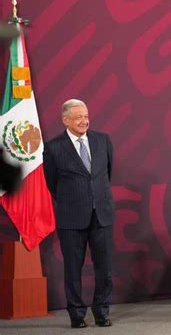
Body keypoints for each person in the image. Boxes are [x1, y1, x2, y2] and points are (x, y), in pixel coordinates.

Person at [43, 99, 114, 328]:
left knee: (104, 267)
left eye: (86, 116)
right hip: (71, 217)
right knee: (73, 268)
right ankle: (76, 314)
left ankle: (102, 311)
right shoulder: (54, 147)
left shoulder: (102, 141)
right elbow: (52, 183)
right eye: (78, 117)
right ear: (65, 120)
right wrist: (76, 200)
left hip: (101, 214)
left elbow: (106, 174)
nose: (84, 121)